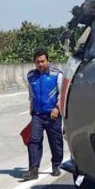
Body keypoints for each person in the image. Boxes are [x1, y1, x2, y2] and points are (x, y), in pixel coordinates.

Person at [22, 49, 64, 181]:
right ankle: (33, 169)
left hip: (53, 114)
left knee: (55, 141)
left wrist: (57, 108)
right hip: (37, 115)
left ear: (48, 61)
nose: (40, 64)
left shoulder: (57, 74)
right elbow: (31, 94)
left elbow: (62, 94)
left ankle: (56, 164)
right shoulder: (31, 76)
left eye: (42, 61)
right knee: (33, 141)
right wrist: (31, 109)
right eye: (37, 62)